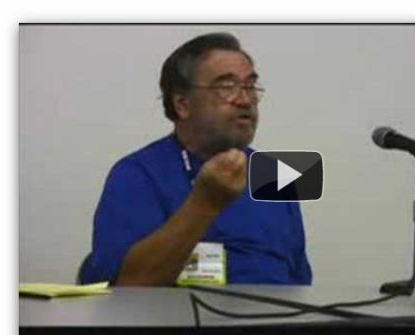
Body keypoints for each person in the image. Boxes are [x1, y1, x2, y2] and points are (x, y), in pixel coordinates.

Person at [80, 33, 312, 286]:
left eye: (250, 86)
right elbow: (127, 287)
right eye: (226, 87)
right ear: (182, 104)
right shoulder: (137, 174)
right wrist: (205, 204)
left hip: (275, 312)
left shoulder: (276, 174)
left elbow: (299, 283)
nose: (245, 100)